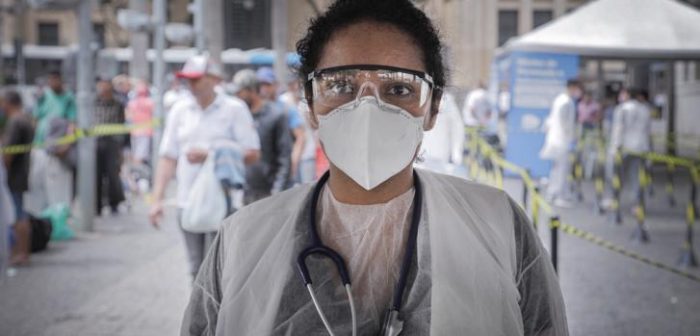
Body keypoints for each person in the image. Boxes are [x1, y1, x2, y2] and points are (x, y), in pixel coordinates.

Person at [181, 1, 568, 335]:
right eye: (341, 86)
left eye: (399, 89)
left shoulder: (498, 226)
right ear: (311, 104)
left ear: (433, 108)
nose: (367, 108)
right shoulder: (243, 240)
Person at [149, 55, 261, 279]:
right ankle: (200, 314)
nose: (191, 85)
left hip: (224, 201)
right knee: (195, 270)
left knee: (220, 271)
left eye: (196, 79)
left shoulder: (234, 109)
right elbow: (168, 157)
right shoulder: (179, 110)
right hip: (187, 200)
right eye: (187, 80)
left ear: (213, 79)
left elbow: (252, 154)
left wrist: (211, 154)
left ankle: (222, 314)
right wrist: (157, 199)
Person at [232, 69, 292, 204]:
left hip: (267, 191)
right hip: (241, 191)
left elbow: (284, 156)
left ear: (252, 90)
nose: (236, 97)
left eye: (239, 92)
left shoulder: (275, 115)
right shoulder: (236, 116)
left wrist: (277, 192)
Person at [24, 70, 76, 217]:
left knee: (57, 186)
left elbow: (72, 123)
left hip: (58, 150)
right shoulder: (43, 96)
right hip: (39, 146)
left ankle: (58, 216)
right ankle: (40, 216)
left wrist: (67, 144)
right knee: (37, 183)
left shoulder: (68, 98)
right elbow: (34, 119)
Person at [258, 67, 307, 185]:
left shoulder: (285, 108)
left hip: (283, 167)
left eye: (267, 84)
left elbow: (300, 137)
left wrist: (293, 162)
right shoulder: (256, 110)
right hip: (263, 169)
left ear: (275, 85)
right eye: (260, 85)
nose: (264, 89)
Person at [2, 91, 34, 265]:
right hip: (21, 172)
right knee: (18, 212)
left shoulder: (16, 122)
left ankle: (21, 254)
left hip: (15, 174)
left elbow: (8, 154)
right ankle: (21, 253)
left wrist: (4, 169)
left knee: (17, 214)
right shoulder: (24, 120)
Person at [540, 79, 582, 207]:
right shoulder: (566, 102)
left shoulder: (560, 100)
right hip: (562, 141)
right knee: (562, 169)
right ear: (572, 87)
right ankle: (558, 195)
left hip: (557, 139)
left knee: (557, 168)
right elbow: (565, 124)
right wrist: (572, 137)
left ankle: (553, 193)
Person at [608, 88, 651, 203]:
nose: (619, 97)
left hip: (624, 148)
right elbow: (647, 131)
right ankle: (637, 204)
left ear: (627, 95)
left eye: (622, 94)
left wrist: (614, 147)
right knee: (636, 177)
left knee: (616, 175)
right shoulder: (645, 109)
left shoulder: (622, 109)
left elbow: (618, 129)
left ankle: (614, 200)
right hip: (641, 147)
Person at [94, 78, 127, 214]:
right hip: (96, 142)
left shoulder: (118, 104)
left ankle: (114, 202)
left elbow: (121, 124)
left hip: (112, 143)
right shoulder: (93, 103)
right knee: (96, 174)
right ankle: (97, 205)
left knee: (112, 174)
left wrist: (120, 146)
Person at [279, 74, 317, 184]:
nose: (294, 87)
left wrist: (309, 114)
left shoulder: (306, 101)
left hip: (307, 153)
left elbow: (314, 125)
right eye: (291, 84)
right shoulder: (283, 101)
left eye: (296, 84)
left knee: (307, 186)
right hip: (290, 152)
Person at [418, 91, 466, 177]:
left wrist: (456, 152)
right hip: (421, 157)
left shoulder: (447, 101)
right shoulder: (418, 98)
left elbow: (457, 129)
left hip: (440, 158)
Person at [126, 81, 154, 165]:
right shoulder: (150, 102)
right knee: (140, 155)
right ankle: (137, 172)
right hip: (146, 132)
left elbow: (128, 117)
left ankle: (136, 172)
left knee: (136, 154)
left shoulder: (131, 103)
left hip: (134, 131)